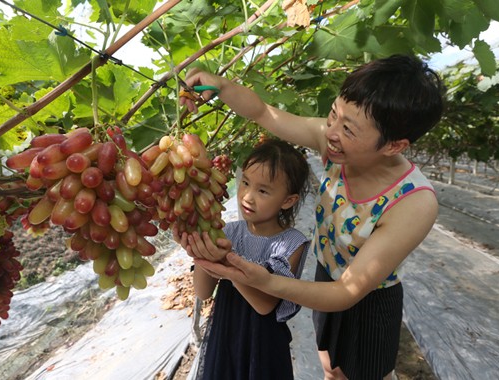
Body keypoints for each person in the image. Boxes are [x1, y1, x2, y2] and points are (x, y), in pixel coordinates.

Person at [180, 54, 445, 380]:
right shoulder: (332, 141)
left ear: (394, 145)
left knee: (367, 376)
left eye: (348, 128)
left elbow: (348, 293)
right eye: (333, 114)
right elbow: (264, 112)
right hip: (326, 275)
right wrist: (220, 86)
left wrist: (265, 281)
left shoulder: (414, 202)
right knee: (330, 368)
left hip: (369, 302)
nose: (330, 131)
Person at [174, 138, 311, 379]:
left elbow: (265, 305)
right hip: (225, 335)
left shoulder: (291, 243)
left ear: (288, 201)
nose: (247, 196)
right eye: (245, 182)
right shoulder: (229, 232)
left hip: (264, 343)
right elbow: (203, 291)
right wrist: (200, 251)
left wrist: (225, 260)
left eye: (263, 190)